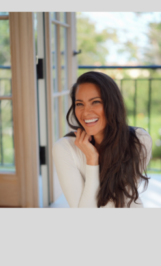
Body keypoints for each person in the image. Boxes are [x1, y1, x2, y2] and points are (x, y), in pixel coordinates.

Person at [52, 71, 152, 208]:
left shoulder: (139, 140)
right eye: (79, 104)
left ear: (113, 104)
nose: (86, 112)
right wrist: (92, 160)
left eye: (95, 102)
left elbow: (120, 200)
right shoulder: (63, 148)